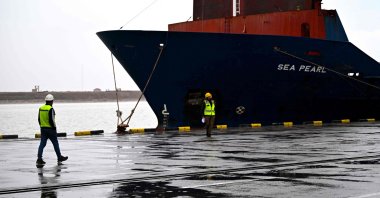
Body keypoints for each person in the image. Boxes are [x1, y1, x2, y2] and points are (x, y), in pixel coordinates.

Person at [36, 94, 68, 165]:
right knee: (55, 143)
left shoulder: (41, 108)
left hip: (43, 128)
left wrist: (42, 126)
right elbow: (52, 120)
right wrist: (54, 128)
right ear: (51, 101)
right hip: (50, 129)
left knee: (42, 144)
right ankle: (59, 157)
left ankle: (39, 158)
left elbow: (38, 119)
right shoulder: (50, 109)